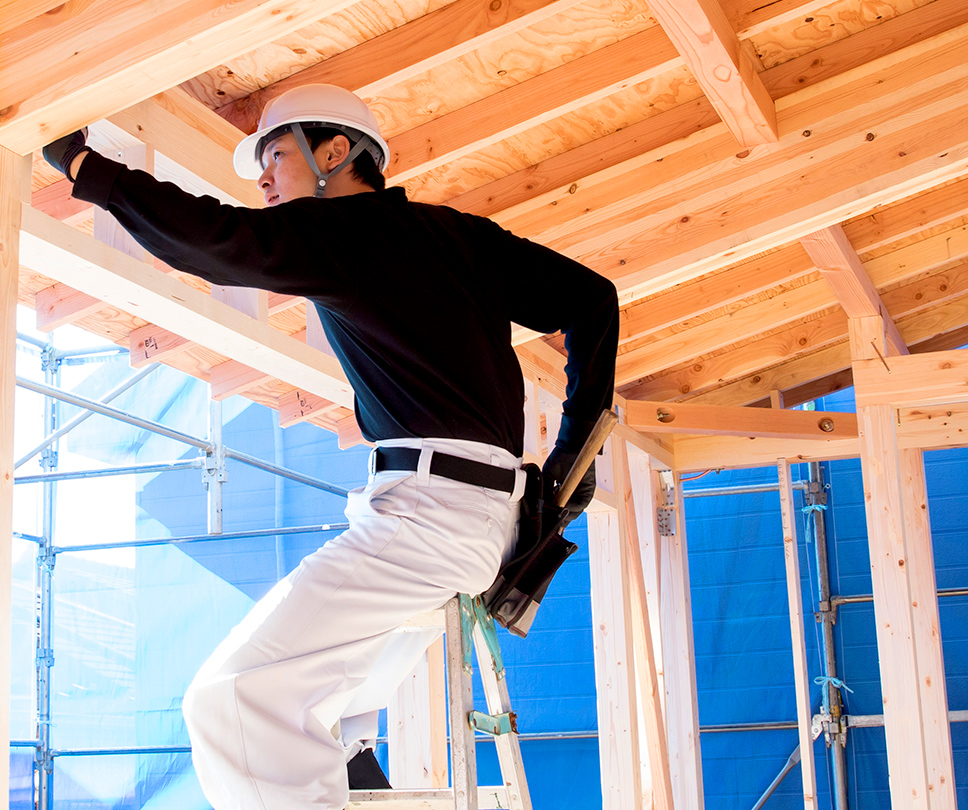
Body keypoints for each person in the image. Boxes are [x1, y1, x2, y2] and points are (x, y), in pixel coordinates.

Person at [42, 84, 618, 809]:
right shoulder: (460, 238)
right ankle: (350, 761)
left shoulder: (344, 233)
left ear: (335, 152)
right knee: (324, 695)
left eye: (274, 155)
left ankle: (337, 763)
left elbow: (216, 240)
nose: (262, 179)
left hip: (429, 521)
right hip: (475, 524)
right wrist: (576, 451)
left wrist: (86, 167)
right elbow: (592, 299)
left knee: (230, 701)